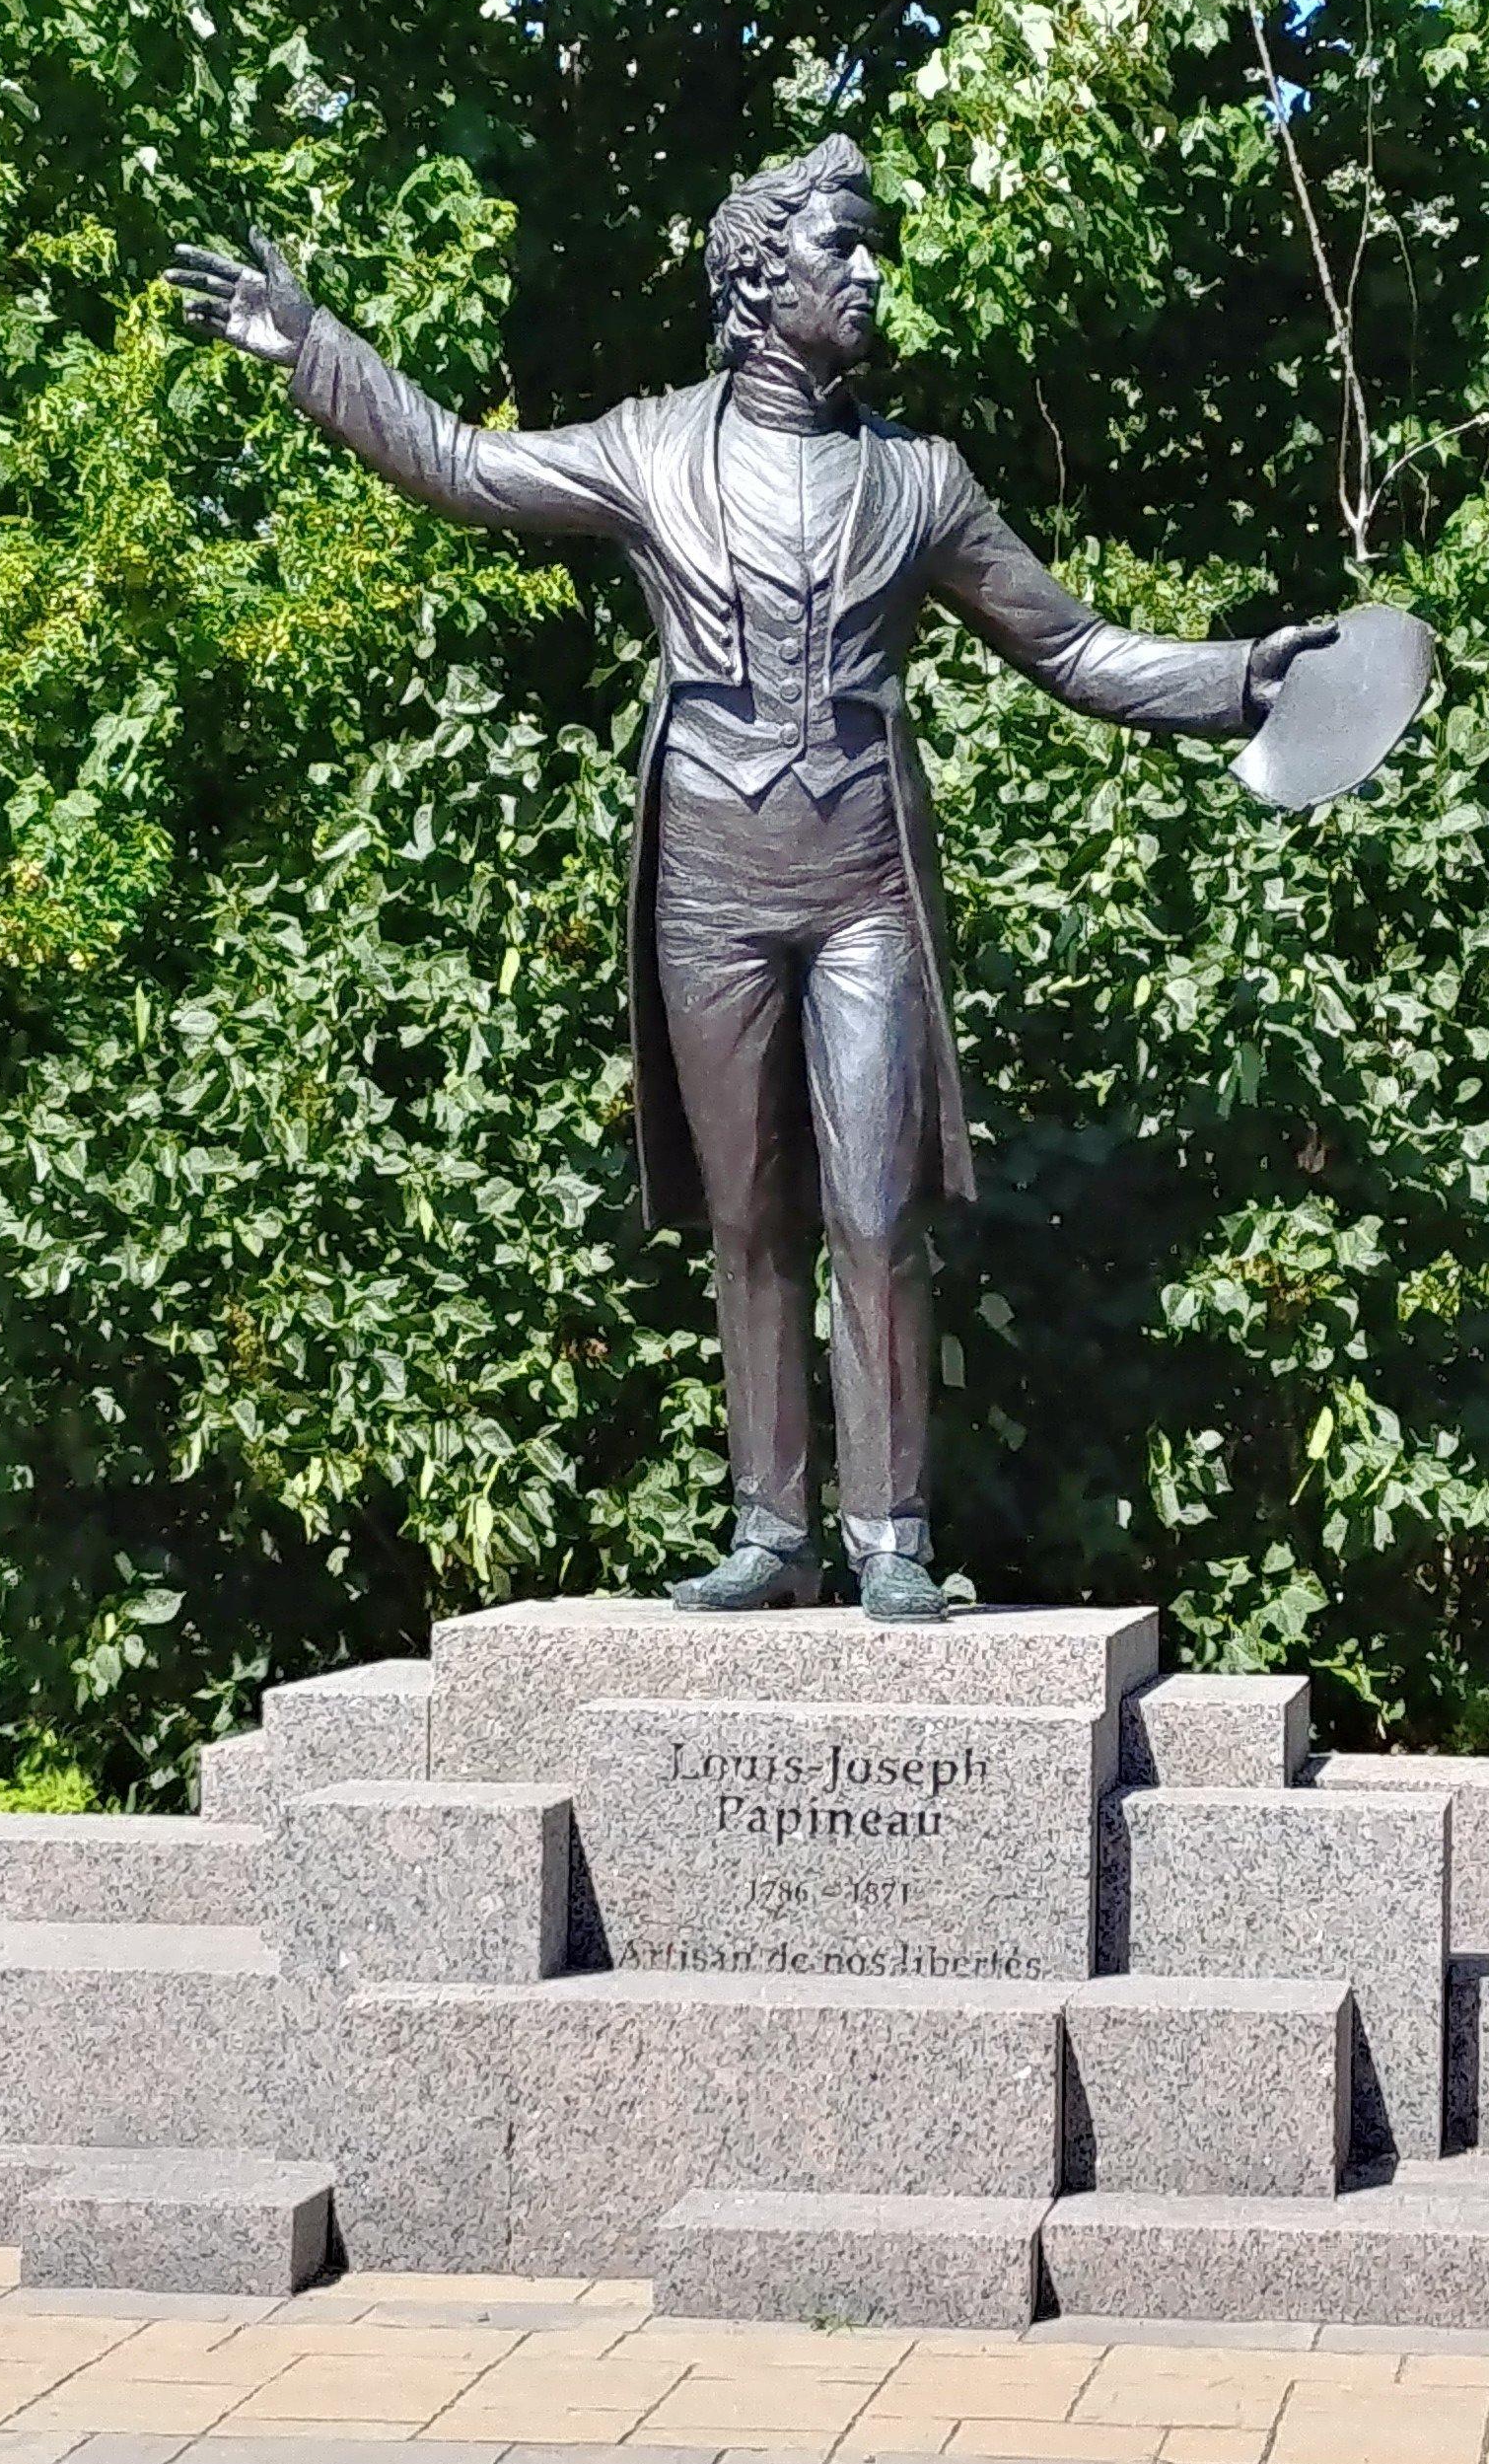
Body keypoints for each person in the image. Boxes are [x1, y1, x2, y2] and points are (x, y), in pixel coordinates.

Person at [169, 135, 1333, 1617]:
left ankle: (894, 1537)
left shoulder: (923, 483)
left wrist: (1240, 679)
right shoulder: (652, 448)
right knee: (748, 1216)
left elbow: (1077, 649)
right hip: (710, 879)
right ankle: (775, 1534)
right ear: (759, 275)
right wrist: (312, 349)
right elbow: (464, 468)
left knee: (872, 1208)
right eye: (841, 247)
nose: (869, 273)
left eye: (869, 246)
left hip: (861, 883)